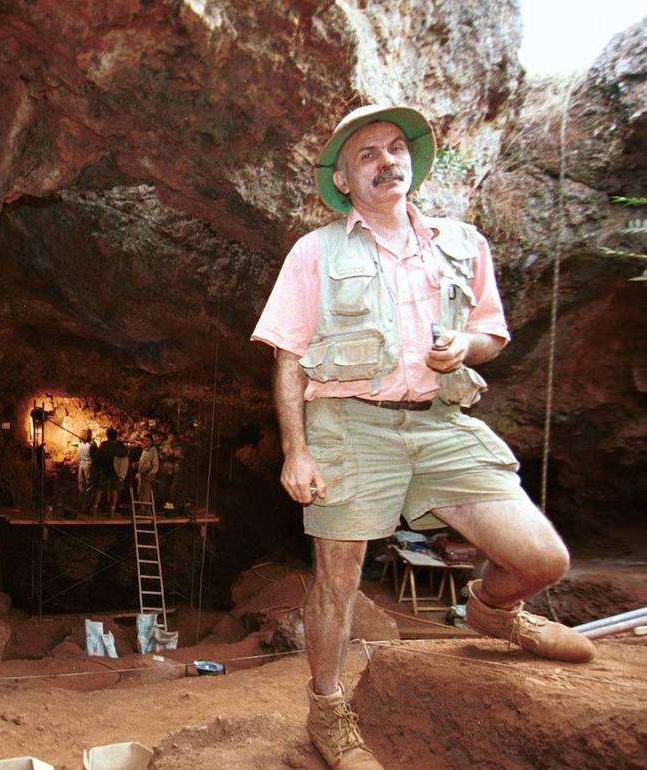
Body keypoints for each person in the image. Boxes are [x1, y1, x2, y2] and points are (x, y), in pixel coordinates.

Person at [251, 104, 594, 770]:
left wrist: (464, 343)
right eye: (367, 155)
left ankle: (493, 613)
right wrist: (297, 450)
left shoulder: (462, 242)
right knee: (337, 584)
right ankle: (328, 713)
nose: (387, 161)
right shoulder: (316, 251)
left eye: (394, 149)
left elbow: (491, 336)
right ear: (345, 181)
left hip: (440, 422)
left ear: (411, 162)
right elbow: (288, 354)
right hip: (349, 421)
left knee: (543, 560)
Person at [91, 429, 128, 514]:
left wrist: (95, 448)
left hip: (105, 471)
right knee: (114, 491)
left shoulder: (104, 445)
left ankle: (94, 509)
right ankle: (112, 512)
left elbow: (97, 457)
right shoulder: (121, 446)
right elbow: (125, 455)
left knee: (99, 490)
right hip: (117, 472)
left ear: (107, 436)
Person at [136, 434, 160, 505]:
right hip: (142, 474)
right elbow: (144, 461)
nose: (144, 442)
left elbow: (155, 465)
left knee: (146, 493)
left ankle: (146, 510)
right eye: (144, 440)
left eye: (146, 440)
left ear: (151, 442)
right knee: (140, 492)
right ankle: (142, 508)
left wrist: (150, 473)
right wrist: (137, 463)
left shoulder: (153, 451)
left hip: (147, 475)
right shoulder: (144, 450)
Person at [76, 428, 96, 511]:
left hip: (81, 465)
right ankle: (86, 505)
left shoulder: (79, 444)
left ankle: (80, 504)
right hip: (88, 465)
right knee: (89, 486)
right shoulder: (91, 445)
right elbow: (95, 455)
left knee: (81, 485)